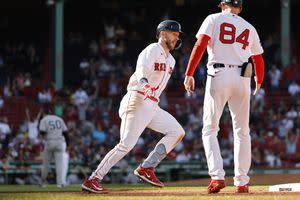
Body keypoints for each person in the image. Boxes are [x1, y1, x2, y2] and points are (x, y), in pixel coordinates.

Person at [81, 20, 185, 194]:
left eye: (177, 35)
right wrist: (144, 86)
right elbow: (141, 71)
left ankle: (147, 167)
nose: (176, 37)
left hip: (152, 105)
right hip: (137, 98)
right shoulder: (152, 49)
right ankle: (93, 179)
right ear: (162, 33)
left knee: (177, 131)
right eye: (174, 34)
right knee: (126, 145)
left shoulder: (172, 60)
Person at [184, 0, 265, 194]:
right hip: (242, 77)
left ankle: (217, 177)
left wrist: (189, 72)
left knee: (210, 129)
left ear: (222, 5)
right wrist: (259, 80)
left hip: (219, 73)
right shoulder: (249, 27)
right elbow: (258, 58)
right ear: (240, 7)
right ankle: (242, 182)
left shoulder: (213, 18)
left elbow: (201, 44)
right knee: (242, 132)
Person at [39, 108, 69, 188]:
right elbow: (66, 133)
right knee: (59, 164)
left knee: (46, 164)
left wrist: (45, 136)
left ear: (45, 113)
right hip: (60, 142)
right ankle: (60, 183)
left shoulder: (44, 119)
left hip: (50, 141)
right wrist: (68, 144)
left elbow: (42, 132)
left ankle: (42, 182)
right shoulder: (59, 119)